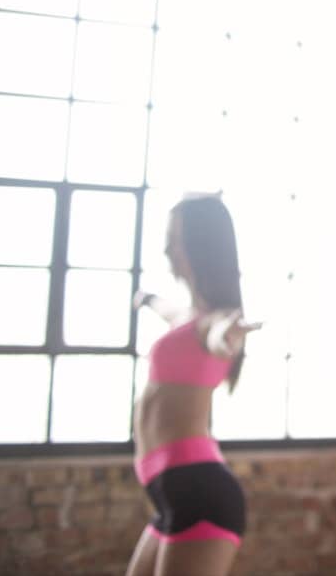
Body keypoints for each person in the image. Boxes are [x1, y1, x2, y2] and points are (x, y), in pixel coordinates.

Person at [126, 195, 260, 576]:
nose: (167, 248)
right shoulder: (189, 317)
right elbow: (170, 310)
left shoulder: (214, 322)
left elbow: (219, 333)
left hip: (200, 492)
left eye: (175, 238)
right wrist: (146, 299)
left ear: (201, 245)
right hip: (171, 496)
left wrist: (231, 334)